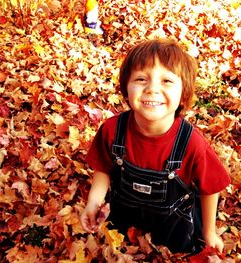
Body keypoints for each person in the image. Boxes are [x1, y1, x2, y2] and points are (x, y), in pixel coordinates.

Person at [80, 38, 231, 254]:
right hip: (125, 211)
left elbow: (211, 189)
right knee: (116, 242)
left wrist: (209, 232)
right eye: (141, 79)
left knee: (179, 250)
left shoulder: (191, 143)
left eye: (167, 81)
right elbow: (103, 168)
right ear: (126, 88)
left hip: (172, 220)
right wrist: (94, 202)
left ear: (183, 95)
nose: (152, 89)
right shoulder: (113, 130)